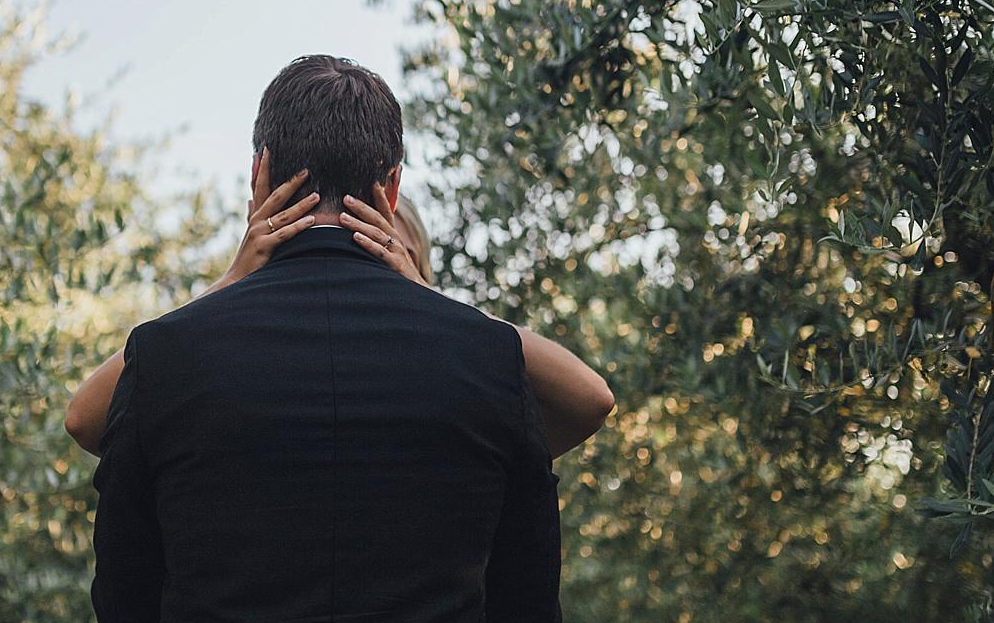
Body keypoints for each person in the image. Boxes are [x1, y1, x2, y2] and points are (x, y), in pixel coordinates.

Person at [82, 54, 603, 623]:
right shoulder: (485, 359)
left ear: (258, 173)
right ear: (392, 188)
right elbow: (528, 613)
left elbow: (123, 600)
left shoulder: (169, 355)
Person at [65, 183, 615, 461]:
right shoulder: (250, 372)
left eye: (380, 252)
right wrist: (230, 284)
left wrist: (433, 305)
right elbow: (86, 419)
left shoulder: (466, 378)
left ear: (416, 259)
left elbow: (589, 399)